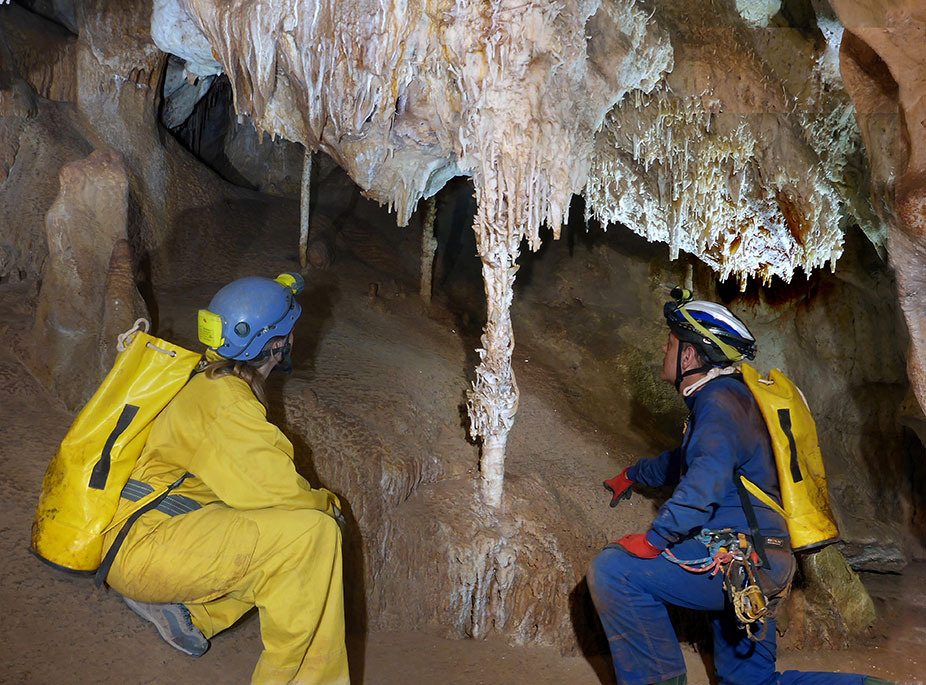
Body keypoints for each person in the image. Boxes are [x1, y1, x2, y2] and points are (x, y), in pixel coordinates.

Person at [588, 290, 890, 685]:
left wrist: (656, 539)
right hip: (767, 562)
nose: (665, 350)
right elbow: (686, 461)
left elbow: (705, 479)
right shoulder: (734, 401)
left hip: (739, 560)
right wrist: (633, 474)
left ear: (691, 356)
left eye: (671, 343)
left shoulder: (717, 403)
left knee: (614, 570)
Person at [100, 273, 350, 684]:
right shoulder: (226, 404)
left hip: (137, 533)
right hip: (145, 547)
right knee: (313, 536)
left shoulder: (205, 377)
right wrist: (331, 507)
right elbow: (283, 493)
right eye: (289, 330)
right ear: (275, 344)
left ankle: (190, 615)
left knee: (274, 530)